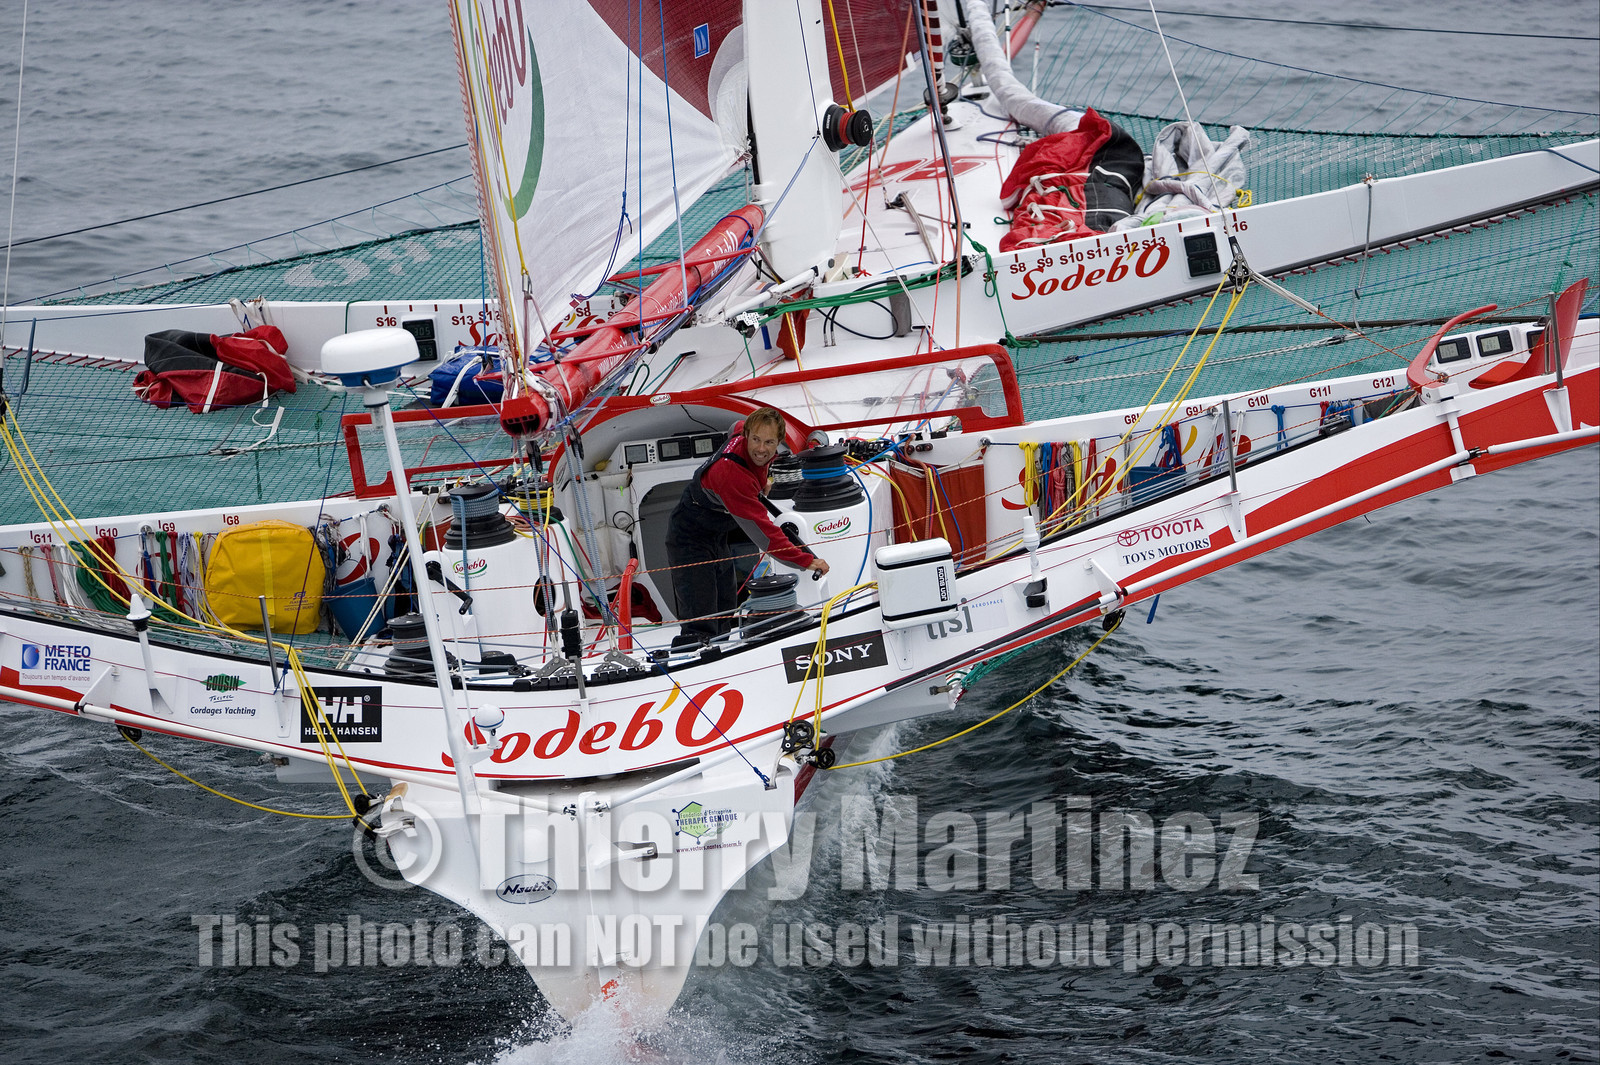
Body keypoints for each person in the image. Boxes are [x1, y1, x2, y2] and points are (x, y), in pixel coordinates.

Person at [665, 408, 829, 646]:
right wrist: (806, 561)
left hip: (715, 533)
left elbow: (735, 425)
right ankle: (695, 660)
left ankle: (721, 653)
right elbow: (766, 536)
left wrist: (764, 481)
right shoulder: (733, 476)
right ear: (747, 436)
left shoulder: (742, 431)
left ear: (778, 443)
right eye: (756, 440)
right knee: (701, 617)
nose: (761, 449)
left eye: (769, 442)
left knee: (725, 607)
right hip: (688, 535)